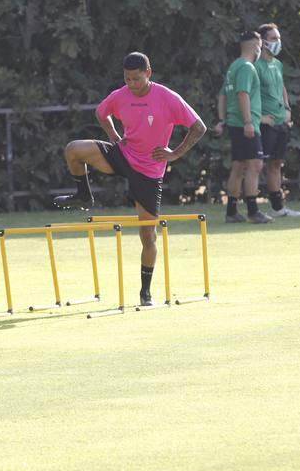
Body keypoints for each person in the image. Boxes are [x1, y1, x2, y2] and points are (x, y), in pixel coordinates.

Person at [53, 52, 207, 307]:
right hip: (123, 154)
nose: (132, 84)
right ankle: (83, 195)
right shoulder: (120, 95)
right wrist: (113, 135)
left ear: (149, 73)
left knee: (148, 235)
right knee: (73, 149)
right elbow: (102, 113)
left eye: (137, 79)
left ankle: (145, 293)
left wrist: (175, 154)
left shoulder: (167, 98)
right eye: (127, 79)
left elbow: (199, 127)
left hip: (149, 169)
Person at [213, 31, 271, 223]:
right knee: (255, 165)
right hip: (245, 124)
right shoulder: (247, 67)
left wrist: (222, 119)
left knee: (238, 166)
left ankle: (231, 212)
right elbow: (242, 94)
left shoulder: (234, 67)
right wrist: (248, 122)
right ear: (256, 46)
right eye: (261, 44)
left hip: (234, 123)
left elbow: (222, 95)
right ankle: (253, 211)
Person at [256, 23, 300, 217]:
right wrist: (259, 117)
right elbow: (249, 94)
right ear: (263, 41)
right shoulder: (255, 66)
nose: (278, 43)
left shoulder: (278, 64)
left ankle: (278, 208)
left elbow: (281, 86)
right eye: (274, 39)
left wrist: (287, 108)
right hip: (265, 124)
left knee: (276, 164)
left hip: (280, 121)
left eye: (279, 39)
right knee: (255, 167)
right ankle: (247, 208)